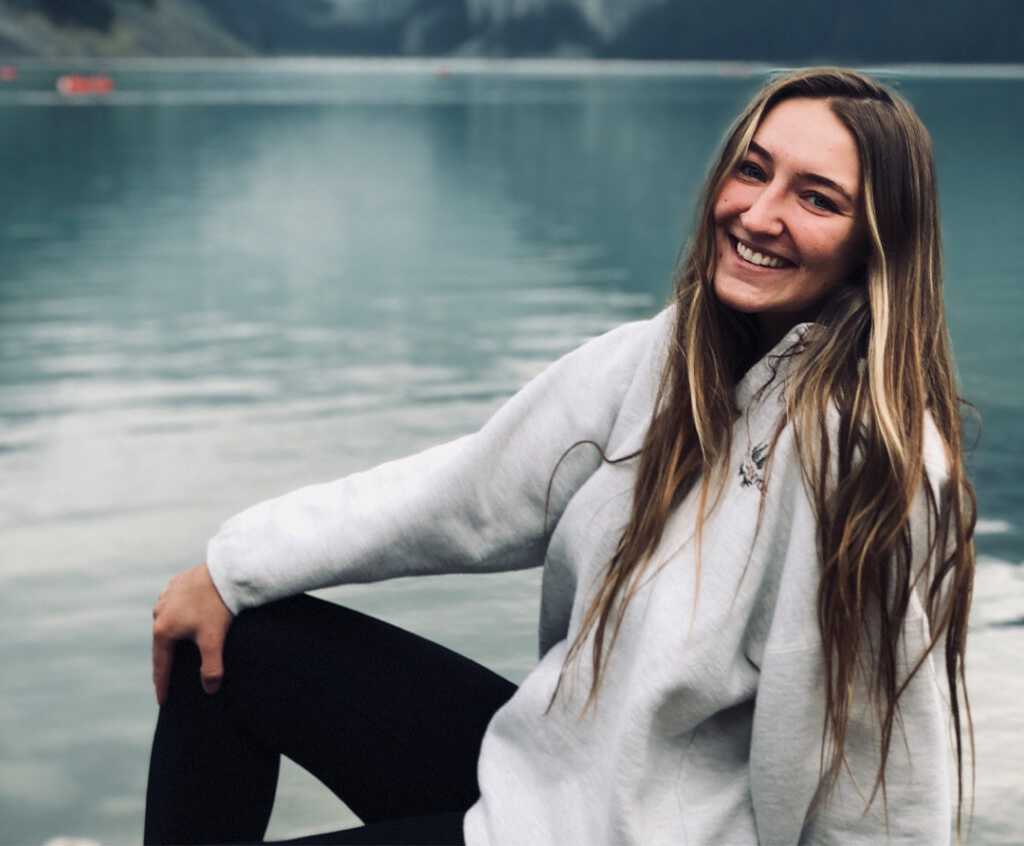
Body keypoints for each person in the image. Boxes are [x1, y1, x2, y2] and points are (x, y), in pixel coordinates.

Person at [146, 67, 975, 845]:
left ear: (875, 247)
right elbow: (464, 494)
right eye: (752, 171)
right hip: (547, 777)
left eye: (816, 199)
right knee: (228, 633)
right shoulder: (663, 357)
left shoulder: (874, 466)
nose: (759, 215)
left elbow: (882, 770)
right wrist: (232, 566)